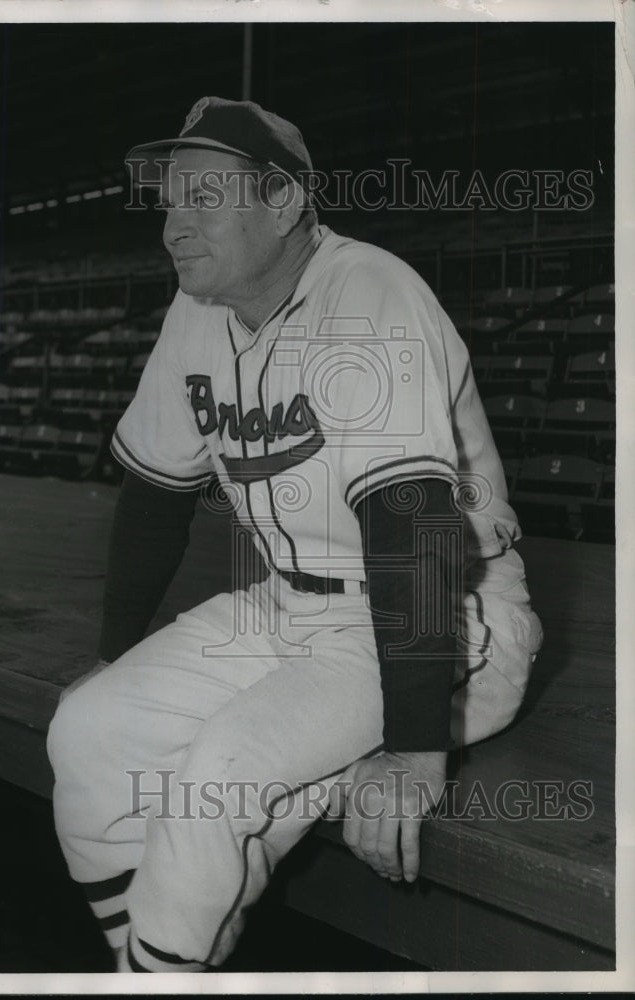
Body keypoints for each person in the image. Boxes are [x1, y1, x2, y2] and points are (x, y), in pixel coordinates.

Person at [46, 96, 543, 973]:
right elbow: (158, 493)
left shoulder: (371, 293)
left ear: (282, 203)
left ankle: (162, 965)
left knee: (215, 781)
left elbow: (412, 528)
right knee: (85, 729)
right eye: (167, 199)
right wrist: (117, 650)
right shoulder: (198, 309)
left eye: (202, 195)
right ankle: (156, 959)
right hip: (286, 607)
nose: (173, 223)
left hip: (445, 617)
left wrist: (413, 753)